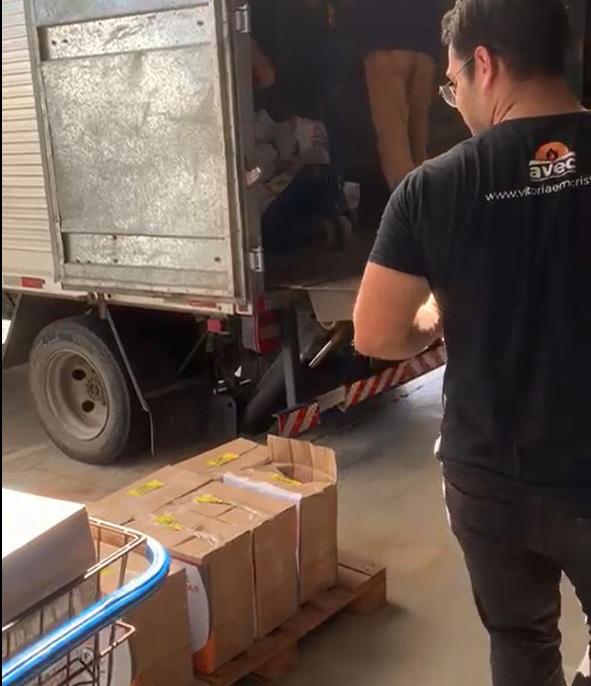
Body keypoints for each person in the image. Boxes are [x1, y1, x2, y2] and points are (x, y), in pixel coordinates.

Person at [353, 0, 591, 684]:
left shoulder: (432, 188)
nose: (454, 101)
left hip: (487, 477)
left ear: (482, 64)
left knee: (519, 642)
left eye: (451, 84)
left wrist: (433, 318)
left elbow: (376, 334)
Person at [347, 0, 446, 189]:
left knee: (395, 151)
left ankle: (410, 206)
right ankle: (426, 203)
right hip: (424, 41)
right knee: (420, 151)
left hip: (383, 37)